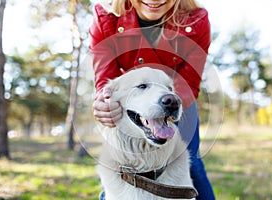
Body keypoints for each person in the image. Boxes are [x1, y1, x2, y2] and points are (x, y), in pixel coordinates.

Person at [89, 0, 216, 199]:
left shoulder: (197, 20)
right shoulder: (105, 17)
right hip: (132, 104)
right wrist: (105, 104)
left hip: (178, 99)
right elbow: (105, 81)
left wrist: (167, 102)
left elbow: (188, 82)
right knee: (120, 168)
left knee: (193, 166)